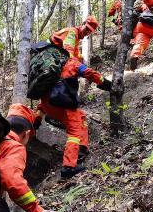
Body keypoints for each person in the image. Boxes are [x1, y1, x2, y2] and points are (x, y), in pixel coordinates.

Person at [38, 16, 112, 179]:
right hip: (61, 99)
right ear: (82, 24)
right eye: (86, 29)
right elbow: (88, 72)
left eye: (89, 32)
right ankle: (68, 167)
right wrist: (106, 84)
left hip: (48, 102)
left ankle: (83, 147)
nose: (87, 33)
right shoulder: (70, 43)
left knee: (81, 116)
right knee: (74, 130)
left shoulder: (50, 70)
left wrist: (39, 116)